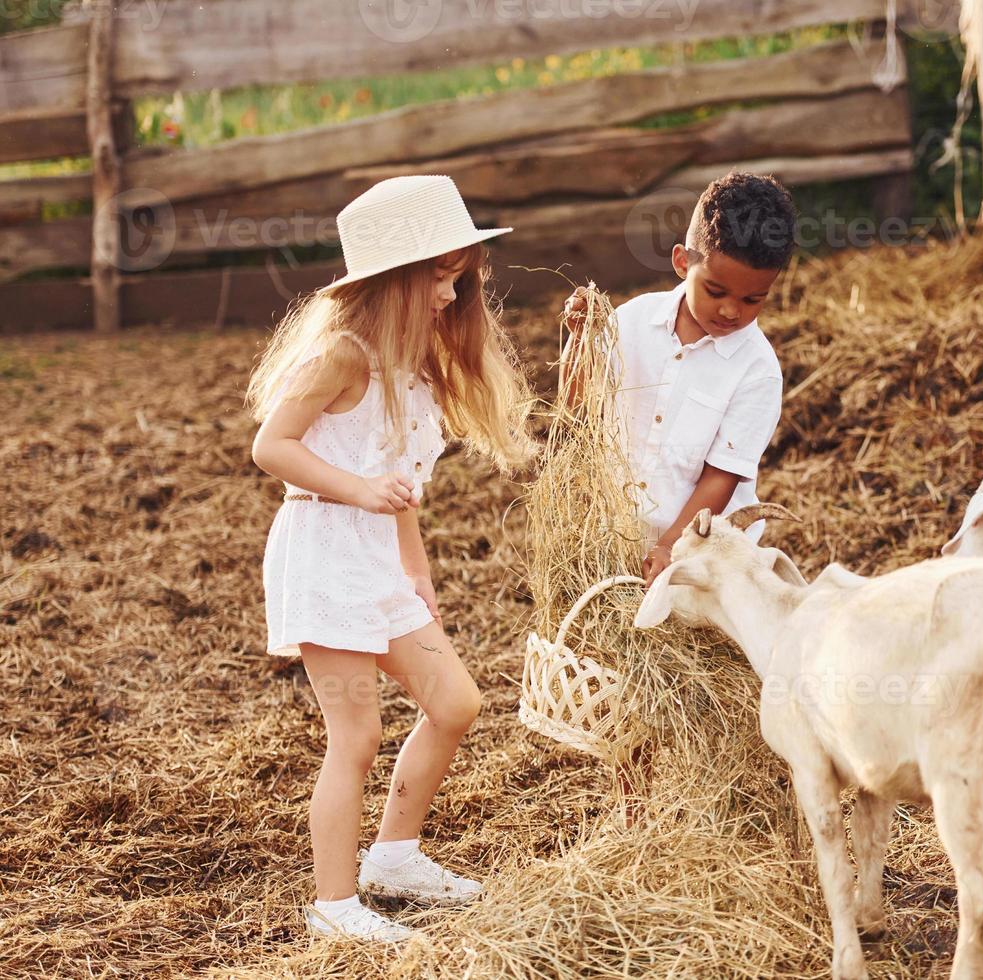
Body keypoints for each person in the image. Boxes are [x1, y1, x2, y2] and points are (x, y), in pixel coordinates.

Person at [246, 175, 534, 941]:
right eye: (441, 277)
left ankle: (395, 857)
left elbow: (400, 492)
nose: (451, 294)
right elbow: (270, 445)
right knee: (358, 736)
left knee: (455, 703)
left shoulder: (417, 372)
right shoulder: (343, 355)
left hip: (378, 557)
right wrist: (356, 489)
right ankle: (335, 907)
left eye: (459, 278)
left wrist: (419, 576)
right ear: (395, 279)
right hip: (323, 551)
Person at [564, 172, 797, 584]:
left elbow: (719, 478)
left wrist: (672, 546)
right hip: (615, 542)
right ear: (681, 262)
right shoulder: (631, 321)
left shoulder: (757, 371)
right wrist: (580, 340)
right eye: (715, 290)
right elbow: (576, 407)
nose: (730, 311)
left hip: (705, 558)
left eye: (752, 300)